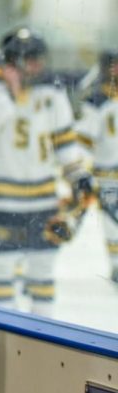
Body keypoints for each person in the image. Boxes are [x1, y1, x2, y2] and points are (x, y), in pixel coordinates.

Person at [0, 27, 93, 315]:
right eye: (30, 59)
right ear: (12, 61)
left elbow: (64, 144)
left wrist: (77, 174)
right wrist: (10, 94)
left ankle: (43, 333)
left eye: (39, 59)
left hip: (41, 198)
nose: (38, 66)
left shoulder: (51, 95)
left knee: (43, 267)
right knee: (0, 270)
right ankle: (0, 335)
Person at [77, 49, 118, 284]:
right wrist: (81, 170)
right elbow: (83, 140)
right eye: (112, 65)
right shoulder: (96, 101)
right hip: (108, 175)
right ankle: (116, 266)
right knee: (113, 224)